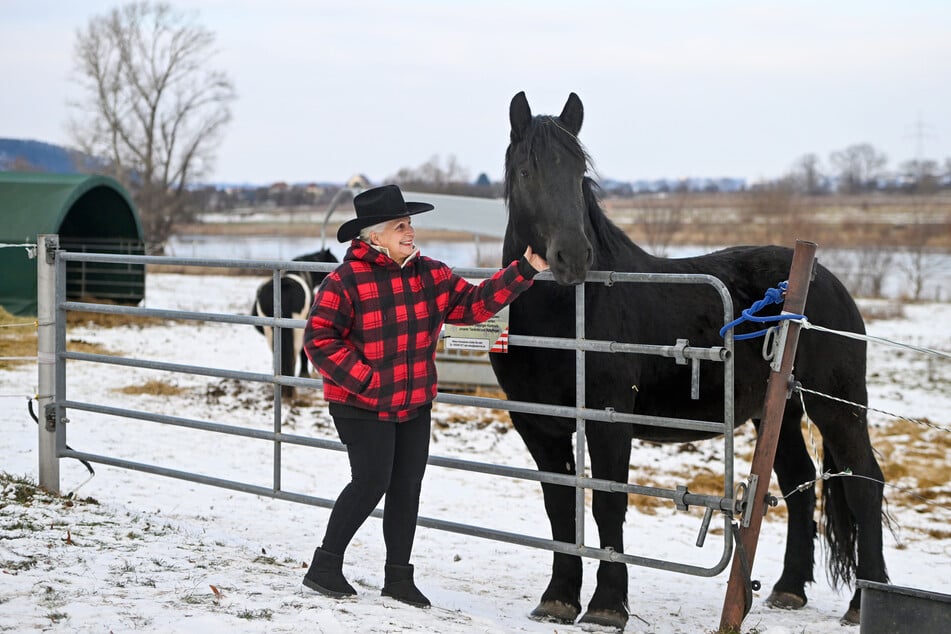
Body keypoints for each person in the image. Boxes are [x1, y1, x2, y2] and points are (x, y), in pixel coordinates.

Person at [301, 184, 548, 608]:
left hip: (414, 402)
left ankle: (398, 577)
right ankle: (324, 566)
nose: (411, 231)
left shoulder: (429, 274)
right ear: (374, 236)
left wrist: (524, 269)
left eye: (410, 223)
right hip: (360, 404)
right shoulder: (344, 282)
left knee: (407, 487)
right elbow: (318, 339)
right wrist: (365, 380)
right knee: (371, 481)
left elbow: (473, 306)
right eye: (401, 226)